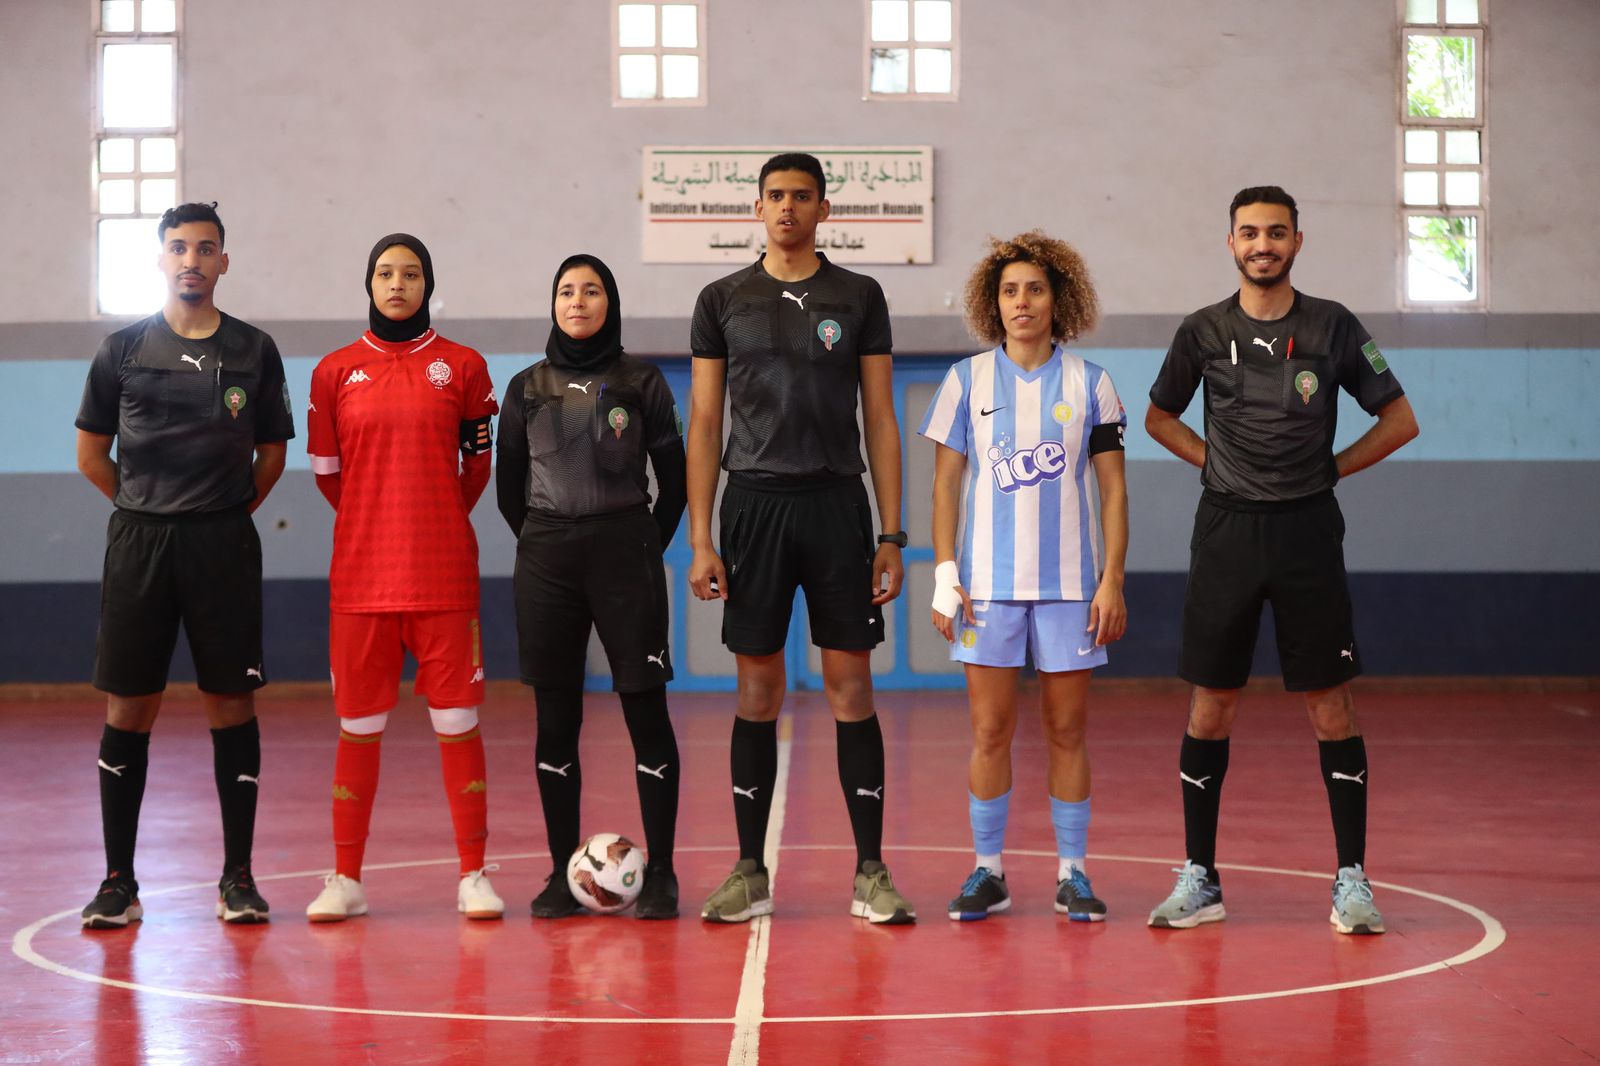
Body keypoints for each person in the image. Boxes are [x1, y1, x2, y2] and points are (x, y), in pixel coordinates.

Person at [1144, 186, 1419, 935]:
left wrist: (1331, 469)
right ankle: (1200, 877)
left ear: (1298, 241)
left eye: (1275, 232)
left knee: (1330, 704)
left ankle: (1352, 880)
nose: (1261, 244)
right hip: (1226, 532)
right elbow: (1159, 416)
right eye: (1248, 233)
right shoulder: (1202, 330)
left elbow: (1400, 419)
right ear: (1230, 243)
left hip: (1306, 532)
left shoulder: (1335, 326)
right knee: (1211, 703)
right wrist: (1213, 464)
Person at [687, 152, 915, 925]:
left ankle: (872, 872)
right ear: (757, 208)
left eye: (802, 196)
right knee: (757, 690)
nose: (788, 207)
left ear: (824, 208)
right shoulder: (723, 299)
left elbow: (880, 417)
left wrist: (891, 532)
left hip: (836, 505)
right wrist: (701, 539)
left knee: (852, 687)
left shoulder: (860, 295)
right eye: (776, 195)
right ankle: (749, 871)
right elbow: (705, 421)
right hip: (754, 506)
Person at [75, 201, 295, 928]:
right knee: (129, 706)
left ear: (224, 261)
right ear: (161, 259)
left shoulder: (255, 349)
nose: (191, 260)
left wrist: (220, 516)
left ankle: (238, 879)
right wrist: (147, 509)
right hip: (140, 545)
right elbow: (91, 454)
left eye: (205, 248)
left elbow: (271, 455)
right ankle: (118, 882)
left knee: (231, 703)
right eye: (178, 248)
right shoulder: (121, 350)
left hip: (222, 545)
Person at [919, 232, 1129, 922]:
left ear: (1058, 299)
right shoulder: (965, 380)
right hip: (987, 587)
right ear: (994, 302)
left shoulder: (1092, 383)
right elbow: (945, 487)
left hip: (1070, 588)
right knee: (989, 732)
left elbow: (1113, 491)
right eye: (1010, 290)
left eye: (1035, 289)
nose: (1022, 301)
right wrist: (945, 574)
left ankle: (1073, 872)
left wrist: (1112, 579)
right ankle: (988, 871)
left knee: (1068, 730)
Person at [303, 234, 503, 922]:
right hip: (362, 580)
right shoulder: (333, 372)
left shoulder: (465, 367)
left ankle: (473, 875)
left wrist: (431, 513)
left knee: (457, 720)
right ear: (369, 283)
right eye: (385, 273)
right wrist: (377, 514)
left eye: (411, 273)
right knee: (358, 725)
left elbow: (476, 469)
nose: (397, 284)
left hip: (443, 576)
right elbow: (330, 477)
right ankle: (345, 880)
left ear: (427, 285)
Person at [496, 254, 687, 920]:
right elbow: (509, 490)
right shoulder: (525, 387)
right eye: (567, 291)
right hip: (547, 560)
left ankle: (661, 873)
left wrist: (638, 545)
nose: (578, 301)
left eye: (592, 290)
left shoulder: (642, 381)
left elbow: (675, 483)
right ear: (554, 304)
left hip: (627, 552)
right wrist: (549, 542)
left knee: (646, 711)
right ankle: (560, 872)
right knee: (556, 720)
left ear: (611, 303)